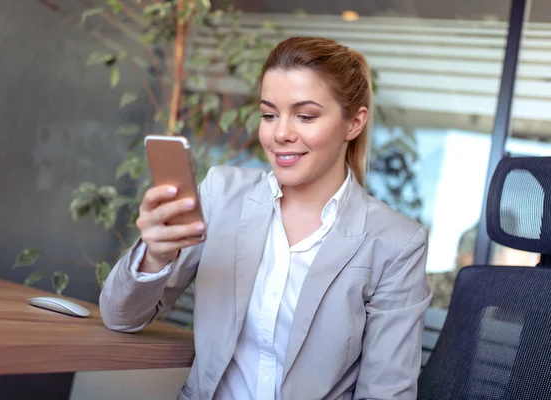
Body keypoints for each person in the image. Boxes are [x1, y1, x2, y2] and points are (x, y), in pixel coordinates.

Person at [100, 36, 432, 400]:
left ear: (354, 123)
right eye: (269, 114)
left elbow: (386, 393)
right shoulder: (222, 195)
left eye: (305, 116)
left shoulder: (396, 242)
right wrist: (155, 257)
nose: (280, 134)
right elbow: (121, 317)